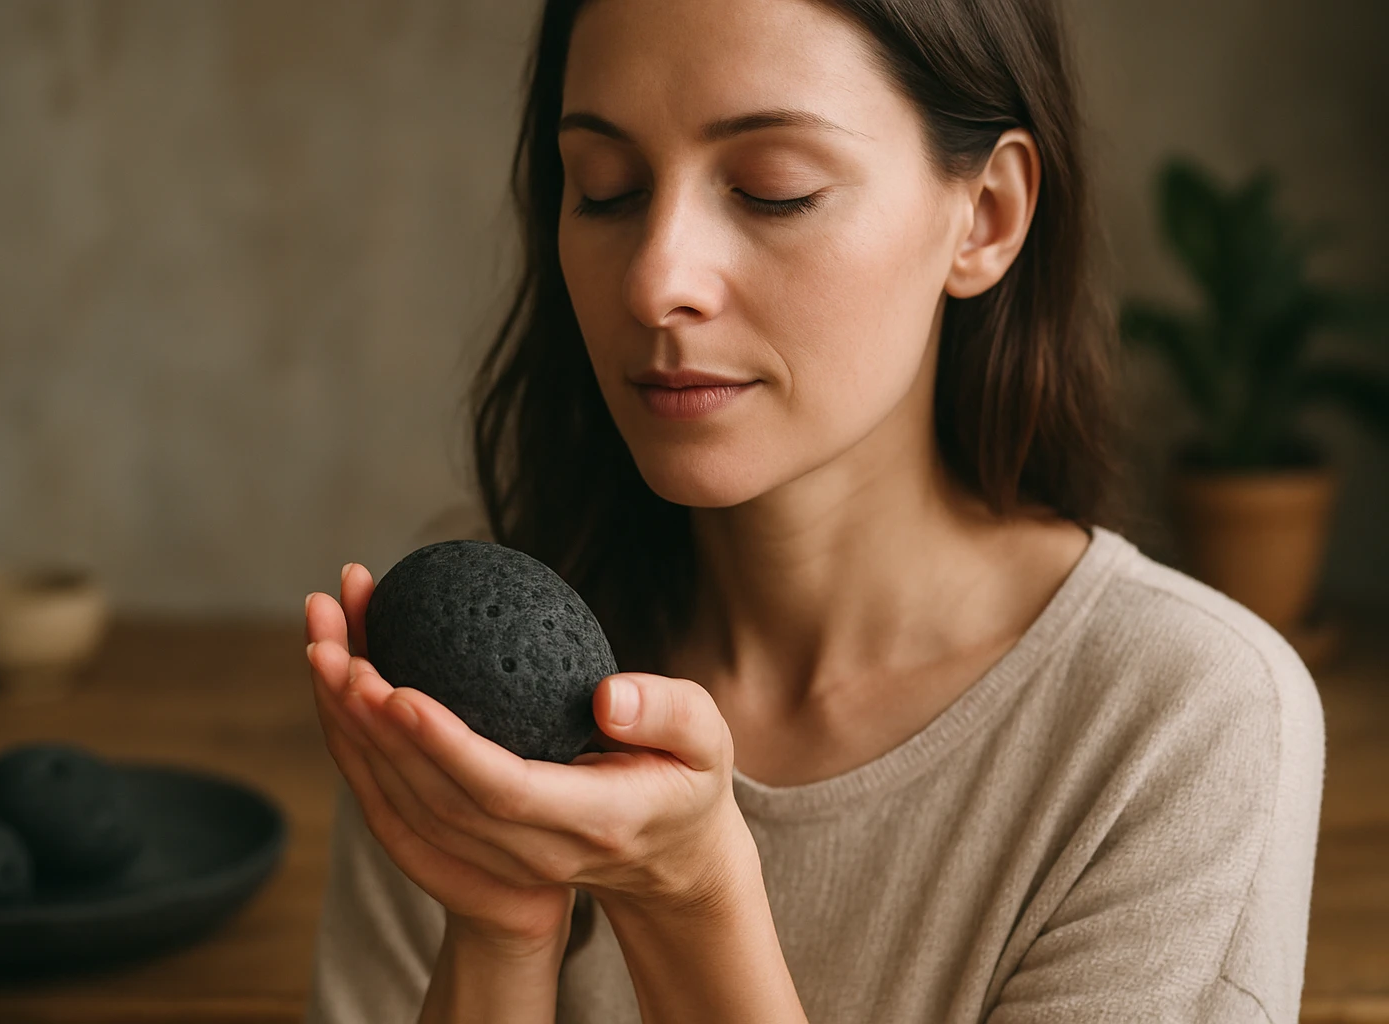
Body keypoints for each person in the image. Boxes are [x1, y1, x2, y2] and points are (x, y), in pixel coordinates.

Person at [301, 0, 1326, 1019]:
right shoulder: (464, 704)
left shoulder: (1184, 725)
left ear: (988, 216)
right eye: (606, 191)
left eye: (771, 190)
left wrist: (690, 897)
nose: (658, 279)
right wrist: (498, 926)